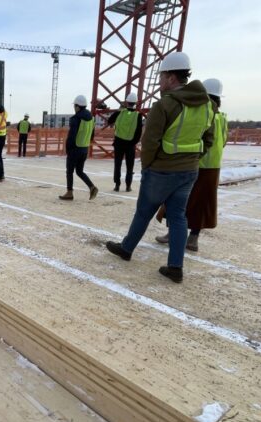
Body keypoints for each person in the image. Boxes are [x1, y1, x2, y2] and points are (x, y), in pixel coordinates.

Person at [105, 52, 215, 283]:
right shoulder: (207, 106)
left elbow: (150, 142)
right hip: (189, 171)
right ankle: (175, 266)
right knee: (178, 217)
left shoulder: (165, 105)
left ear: (172, 77)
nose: (160, 82)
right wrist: (192, 159)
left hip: (161, 171)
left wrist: (148, 167)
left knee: (144, 211)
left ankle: (126, 249)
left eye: (162, 76)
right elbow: (209, 140)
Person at [155, 78, 228, 252]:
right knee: (203, 203)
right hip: (213, 167)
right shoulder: (222, 118)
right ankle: (193, 238)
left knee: (177, 200)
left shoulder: (203, 113)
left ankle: (172, 233)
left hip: (193, 163)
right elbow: (223, 140)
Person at [58, 95, 99, 201]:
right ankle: (92, 187)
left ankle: (69, 192)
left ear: (77, 106)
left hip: (75, 149)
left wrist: (68, 149)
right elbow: (92, 134)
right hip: (84, 148)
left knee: (69, 171)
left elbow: (72, 136)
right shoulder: (91, 118)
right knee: (79, 171)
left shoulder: (76, 118)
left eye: (74, 106)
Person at [106, 92, 143, 191]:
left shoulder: (120, 113)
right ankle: (128, 186)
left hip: (118, 143)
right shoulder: (138, 115)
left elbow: (109, 120)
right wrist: (133, 142)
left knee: (117, 164)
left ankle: (117, 185)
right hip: (130, 144)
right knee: (129, 166)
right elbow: (139, 132)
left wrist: (119, 110)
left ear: (127, 102)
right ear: (135, 103)